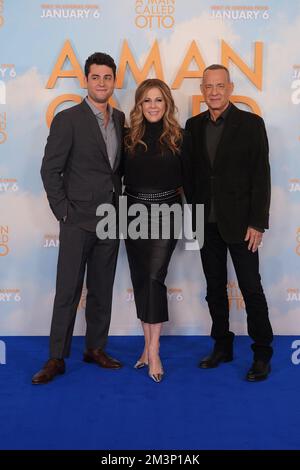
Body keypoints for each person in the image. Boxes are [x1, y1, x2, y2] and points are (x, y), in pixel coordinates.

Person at [32, 52, 125, 384]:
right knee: (68, 290)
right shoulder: (68, 119)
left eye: (107, 77)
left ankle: (95, 349)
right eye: (96, 77)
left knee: (101, 289)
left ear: (114, 81)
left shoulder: (120, 119)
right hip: (76, 220)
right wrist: (64, 212)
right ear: (87, 80)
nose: (102, 83)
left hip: (110, 220)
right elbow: (50, 169)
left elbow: (117, 170)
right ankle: (56, 358)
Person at [185, 64, 273, 382]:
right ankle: (222, 346)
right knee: (214, 289)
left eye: (220, 86)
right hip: (205, 224)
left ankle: (262, 353)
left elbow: (261, 178)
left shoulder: (251, 124)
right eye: (208, 86)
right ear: (202, 90)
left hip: (242, 225)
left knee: (251, 289)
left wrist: (258, 223)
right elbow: (190, 176)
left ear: (231, 88)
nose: (214, 92)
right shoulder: (192, 126)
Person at [123, 78, 191, 382]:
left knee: (154, 277)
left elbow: (193, 182)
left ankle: (154, 350)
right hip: (132, 212)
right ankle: (146, 348)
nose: (152, 106)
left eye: (158, 100)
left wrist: (198, 224)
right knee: (141, 280)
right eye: (147, 100)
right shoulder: (126, 138)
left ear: (167, 104)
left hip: (168, 211)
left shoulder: (180, 137)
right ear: (139, 105)